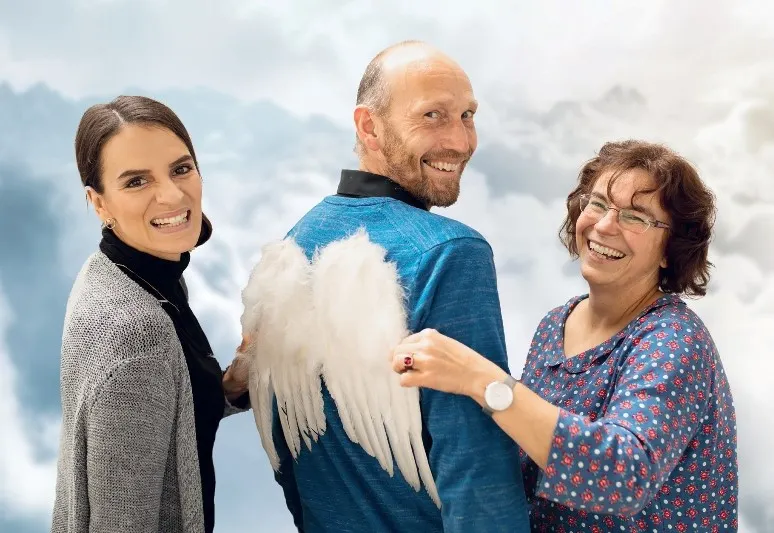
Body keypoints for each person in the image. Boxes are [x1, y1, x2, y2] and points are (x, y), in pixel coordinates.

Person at [239, 41, 530, 532]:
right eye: (433, 116)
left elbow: (293, 464)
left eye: (467, 115)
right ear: (369, 127)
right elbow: (477, 470)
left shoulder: (292, 247)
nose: (461, 141)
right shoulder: (451, 252)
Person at [391, 140, 739, 531]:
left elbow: (623, 477)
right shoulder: (555, 324)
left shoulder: (676, 339)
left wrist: (480, 379)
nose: (606, 225)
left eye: (636, 217)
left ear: (670, 250)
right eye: (599, 204)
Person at [51, 95, 250, 533]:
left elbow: (157, 421)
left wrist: (231, 389)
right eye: (136, 181)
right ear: (99, 203)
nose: (172, 194)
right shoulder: (136, 333)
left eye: (181, 169)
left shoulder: (121, 271)